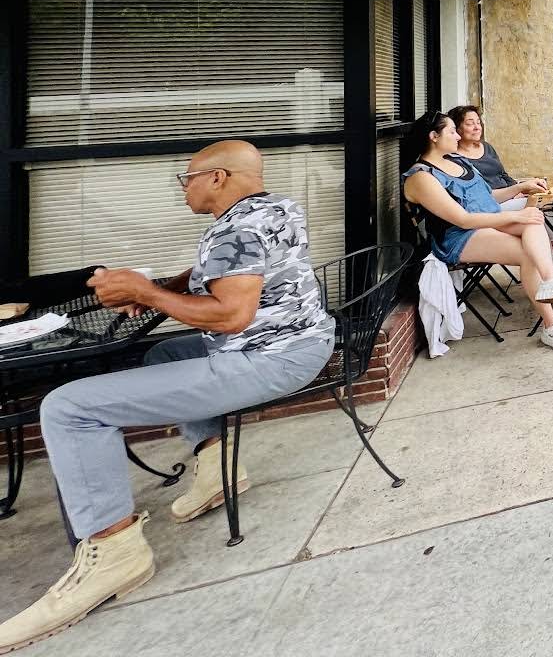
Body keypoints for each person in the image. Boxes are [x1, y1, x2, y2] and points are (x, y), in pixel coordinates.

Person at [0, 141, 337, 652]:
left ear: (218, 177)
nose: (184, 188)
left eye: (188, 178)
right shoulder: (275, 206)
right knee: (165, 354)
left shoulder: (236, 229)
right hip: (303, 340)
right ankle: (217, 466)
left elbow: (231, 315)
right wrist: (161, 288)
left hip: (268, 359)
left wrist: (148, 294)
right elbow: (220, 274)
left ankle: (114, 554)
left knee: (69, 408)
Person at [401, 112, 553, 352]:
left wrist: (521, 187)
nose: (458, 136)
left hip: (490, 221)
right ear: (434, 136)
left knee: (532, 219)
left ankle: (551, 282)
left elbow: (488, 198)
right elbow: (463, 219)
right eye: (452, 131)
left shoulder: (457, 160)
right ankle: (552, 325)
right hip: (458, 237)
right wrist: (515, 215)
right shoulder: (422, 177)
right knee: (527, 251)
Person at [448, 104, 518, 191]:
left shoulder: (486, 147)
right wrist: (515, 190)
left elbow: (503, 174)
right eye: (470, 124)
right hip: (491, 197)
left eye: (478, 122)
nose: (477, 127)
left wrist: (519, 190)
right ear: (456, 128)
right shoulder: (453, 158)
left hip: (510, 194)